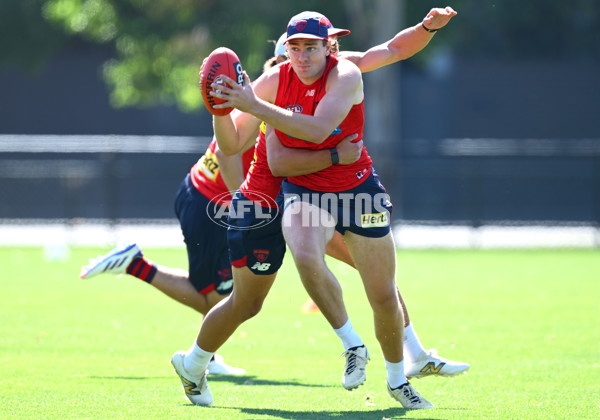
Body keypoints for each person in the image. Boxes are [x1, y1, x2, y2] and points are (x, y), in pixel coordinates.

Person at [171, 9, 460, 409]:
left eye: (313, 46)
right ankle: (195, 362)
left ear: (328, 47)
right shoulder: (270, 87)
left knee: (378, 280)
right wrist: (221, 110)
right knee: (249, 302)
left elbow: (392, 49)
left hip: (329, 195)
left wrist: (427, 27)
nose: (304, 56)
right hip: (265, 206)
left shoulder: (341, 72)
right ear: (284, 53)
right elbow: (246, 150)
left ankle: (408, 361)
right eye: (295, 48)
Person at [79, 56, 362, 376]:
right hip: (208, 200)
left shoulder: (297, 103)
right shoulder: (266, 103)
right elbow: (226, 153)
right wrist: (247, 207)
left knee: (233, 300)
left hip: (218, 199)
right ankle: (137, 266)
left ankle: (202, 359)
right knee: (217, 299)